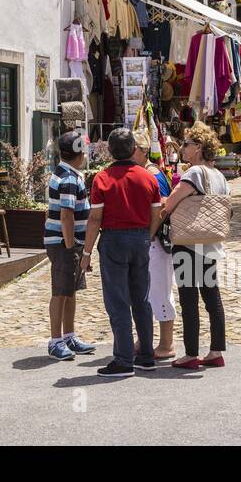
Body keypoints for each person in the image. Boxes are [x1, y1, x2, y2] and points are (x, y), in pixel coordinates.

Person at [81, 128, 162, 376]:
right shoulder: (147, 177)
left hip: (114, 239)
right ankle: (146, 355)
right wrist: (146, 236)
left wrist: (86, 252)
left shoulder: (102, 178)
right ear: (133, 149)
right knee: (141, 298)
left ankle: (124, 359)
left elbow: (95, 218)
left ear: (110, 151)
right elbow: (157, 212)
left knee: (118, 301)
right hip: (140, 238)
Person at [160, 123, 228, 370]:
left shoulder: (195, 174)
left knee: (189, 298)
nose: (183, 148)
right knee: (212, 295)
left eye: (187, 144)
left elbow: (170, 203)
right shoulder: (219, 176)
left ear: (198, 148)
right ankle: (216, 351)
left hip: (189, 242)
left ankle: (190, 353)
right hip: (210, 243)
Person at [45, 131, 97, 361]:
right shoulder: (68, 179)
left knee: (70, 290)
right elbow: (67, 215)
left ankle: (69, 336)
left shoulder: (67, 173)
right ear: (79, 153)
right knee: (60, 292)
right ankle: (56, 340)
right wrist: (71, 246)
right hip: (65, 244)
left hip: (70, 243)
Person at [133, 133, 176, 361]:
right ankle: (145, 339)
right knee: (145, 293)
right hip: (149, 240)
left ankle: (166, 343)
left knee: (160, 291)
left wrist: (148, 235)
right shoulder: (145, 172)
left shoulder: (154, 175)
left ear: (141, 151)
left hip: (156, 241)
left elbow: (162, 208)